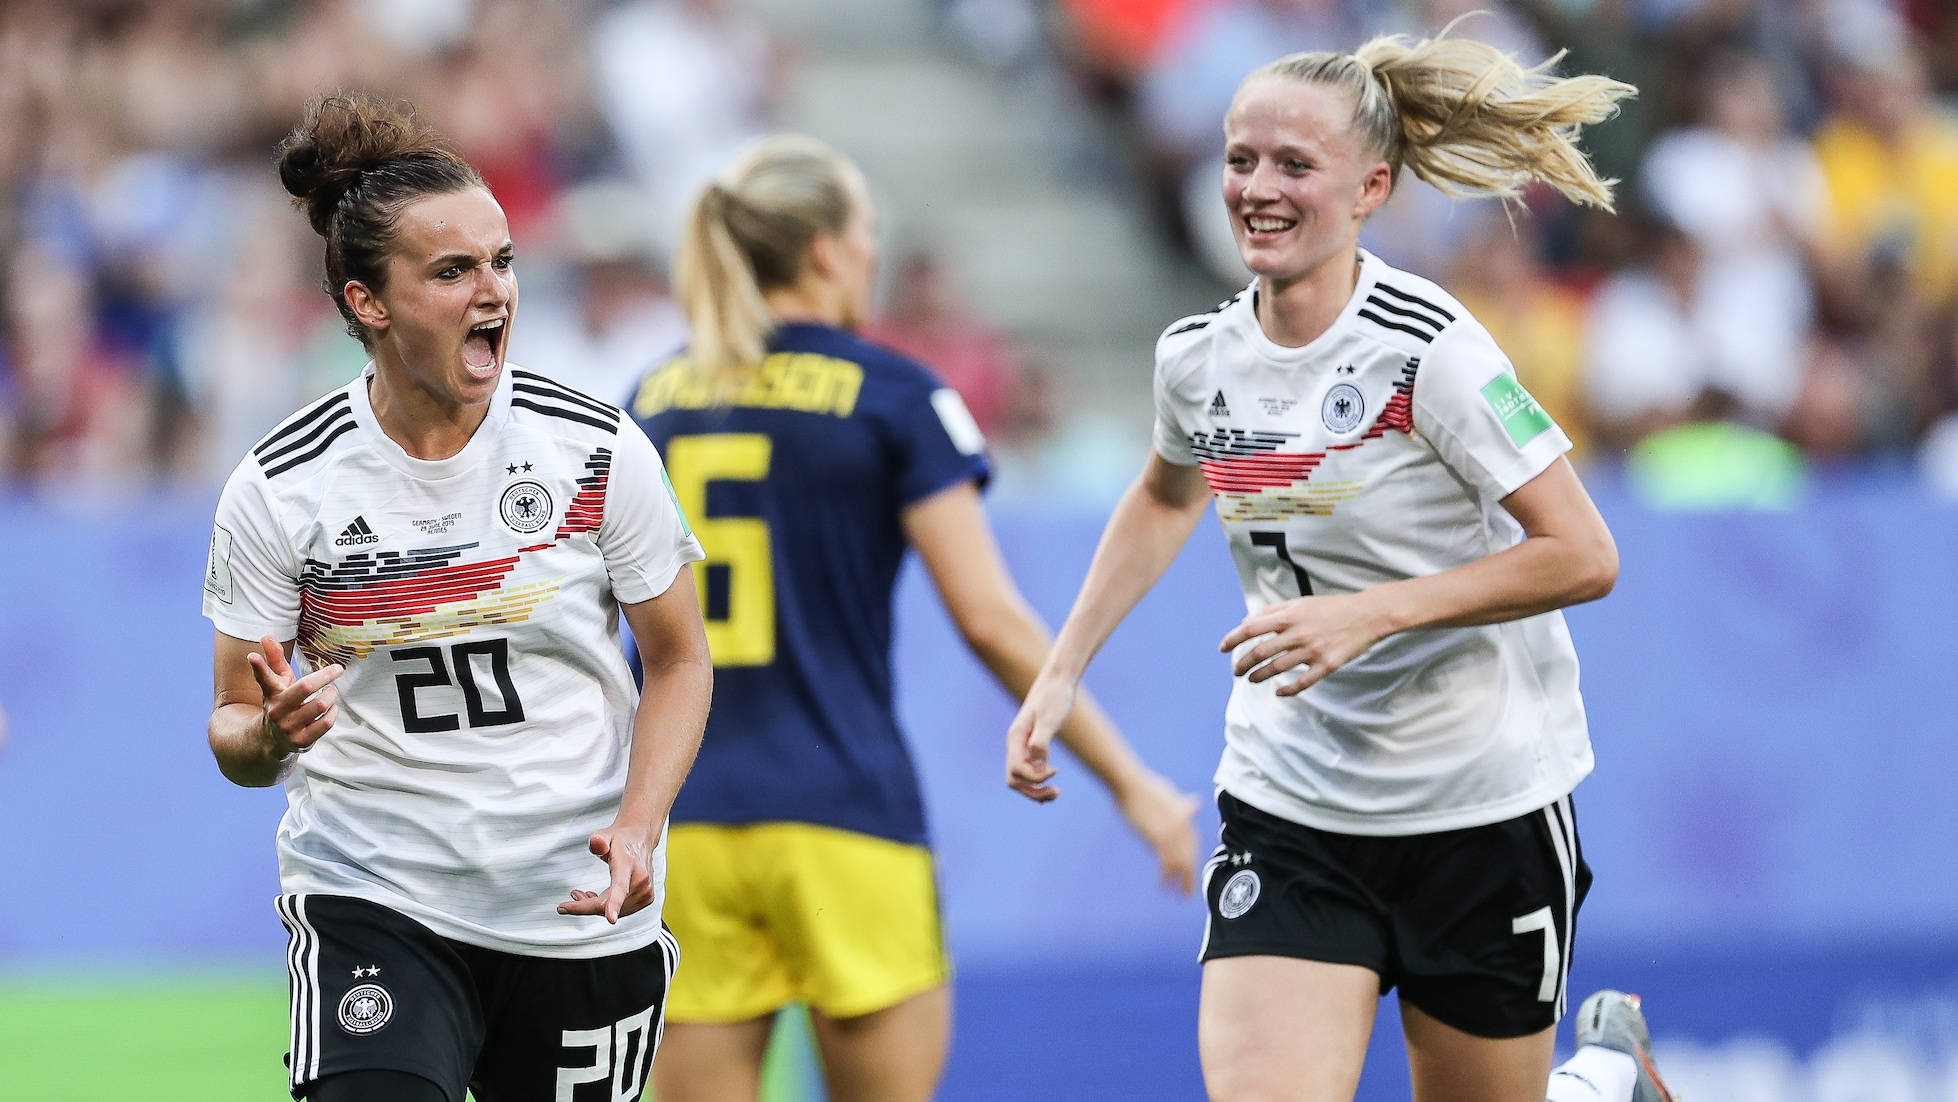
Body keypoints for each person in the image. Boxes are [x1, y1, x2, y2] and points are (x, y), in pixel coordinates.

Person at [1007, 31, 1678, 1102]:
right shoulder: (1196, 356)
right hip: (1293, 803)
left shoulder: (1432, 351)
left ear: (1370, 188)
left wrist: (1370, 614)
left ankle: (1598, 1085)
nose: (1255, 190)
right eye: (1238, 160)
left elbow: (1582, 553)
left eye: (1290, 165)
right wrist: (1061, 666)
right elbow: (1162, 493)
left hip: (1479, 801)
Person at [628, 133, 1200, 1102]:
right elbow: (987, 617)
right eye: (866, 234)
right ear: (822, 250)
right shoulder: (891, 394)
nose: (872, 255)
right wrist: (1133, 782)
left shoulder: (650, 399)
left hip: (684, 828)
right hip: (844, 819)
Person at [201, 94, 712, 1102]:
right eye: (453, 271)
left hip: (572, 906)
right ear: (367, 304)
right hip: (375, 895)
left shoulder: (594, 451)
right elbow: (230, 720)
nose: (496, 292)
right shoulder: (281, 486)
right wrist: (269, 736)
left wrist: (642, 824)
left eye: (504, 262)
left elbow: (682, 657)